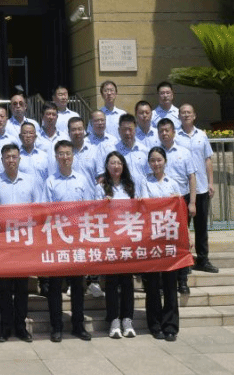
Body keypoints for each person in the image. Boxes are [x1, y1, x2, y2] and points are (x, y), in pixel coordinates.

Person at [0, 143, 43, 342]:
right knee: (5, 288)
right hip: (3, 243)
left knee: (22, 287)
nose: (11, 160)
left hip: (24, 242)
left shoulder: (31, 181)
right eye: (7, 157)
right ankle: (5, 327)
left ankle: (21, 326)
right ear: (1, 160)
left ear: (19, 159)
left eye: (14, 157)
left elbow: (38, 210)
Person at [44, 139, 95, 341]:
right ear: (56, 157)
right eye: (61, 154)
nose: (65, 157)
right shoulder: (50, 181)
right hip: (57, 239)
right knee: (55, 286)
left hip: (77, 240)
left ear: (73, 156)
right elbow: (46, 211)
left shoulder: (82, 180)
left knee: (77, 286)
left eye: (68, 154)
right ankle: (56, 326)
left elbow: (90, 207)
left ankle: (78, 325)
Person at [139, 145, 182, 341]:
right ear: (149, 163)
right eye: (152, 160)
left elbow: (179, 211)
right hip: (151, 238)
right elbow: (145, 207)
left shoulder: (173, 183)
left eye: (159, 160)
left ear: (165, 161)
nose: (156, 163)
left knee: (170, 284)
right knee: (153, 284)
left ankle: (170, 326)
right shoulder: (144, 182)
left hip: (170, 238)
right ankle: (155, 324)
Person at [157, 118, 197, 295]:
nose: (164, 133)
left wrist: (192, 202)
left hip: (180, 202)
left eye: (167, 130)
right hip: (160, 204)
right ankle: (162, 280)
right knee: (161, 243)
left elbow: (192, 177)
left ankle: (182, 280)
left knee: (182, 242)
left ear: (173, 132)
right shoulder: (155, 153)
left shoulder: (184, 152)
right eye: (161, 131)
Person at [178, 103, 219, 275]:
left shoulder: (202, 135)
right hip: (183, 189)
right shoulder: (175, 136)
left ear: (194, 115)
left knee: (201, 226)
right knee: (182, 228)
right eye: (183, 113)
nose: (186, 115)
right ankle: (184, 261)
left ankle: (203, 259)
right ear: (179, 116)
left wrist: (211, 182)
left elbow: (207, 160)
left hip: (201, 187)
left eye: (189, 112)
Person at [101, 151, 138, 339]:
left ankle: (127, 319)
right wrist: (102, 204)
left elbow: (140, 209)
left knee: (127, 281)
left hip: (127, 240)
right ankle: (114, 319)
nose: (116, 166)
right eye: (112, 163)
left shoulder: (130, 187)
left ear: (123, 166)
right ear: (107, 166)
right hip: (109, 240)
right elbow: (93, 212)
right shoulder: (100, 187)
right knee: (111, 282)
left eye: (119, 163)